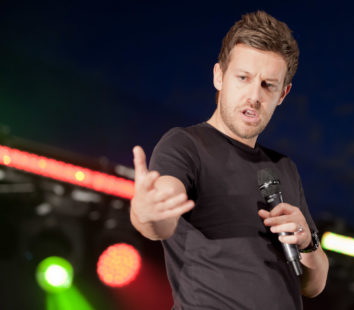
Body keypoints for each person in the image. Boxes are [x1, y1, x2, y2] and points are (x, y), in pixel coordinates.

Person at [130, 10, 329, 310]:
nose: (254, 96)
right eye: (243, 78)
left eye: (267, 85)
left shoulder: (283, 168)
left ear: (283, 94)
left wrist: (308, 243)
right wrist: (146, 212)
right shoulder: (186, 145)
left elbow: (314, 286)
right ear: (219, 76)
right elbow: (161, 216)